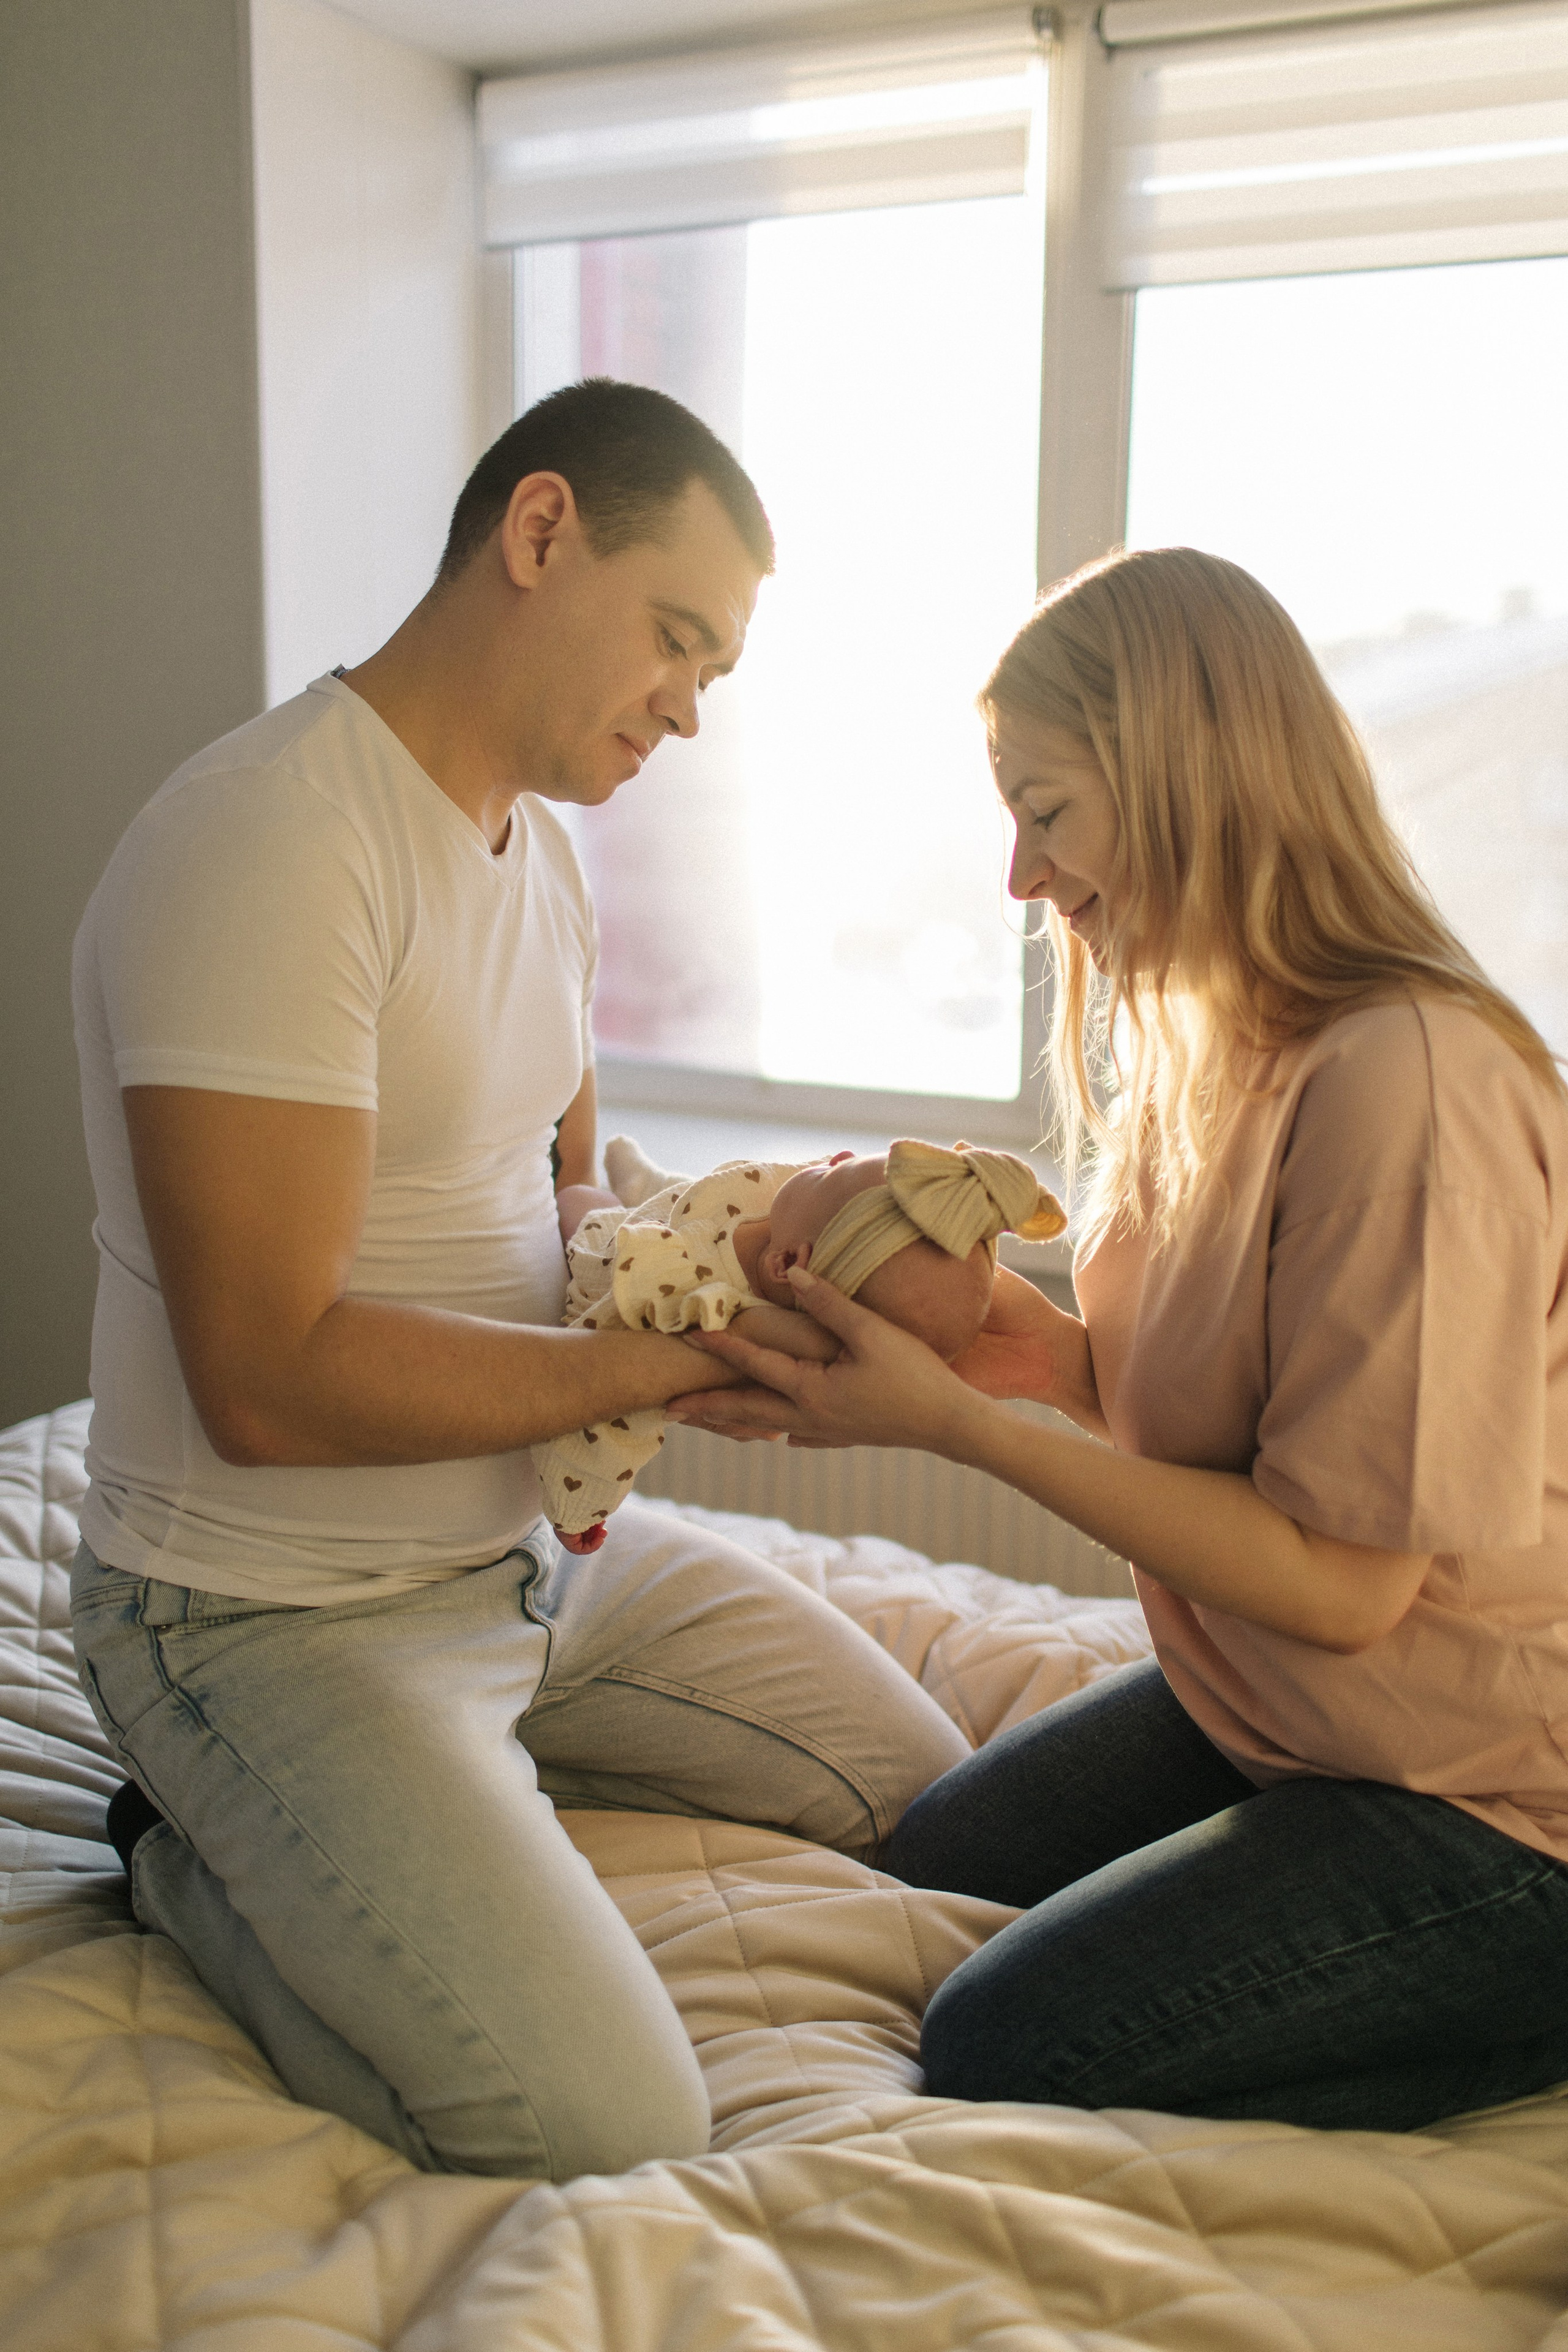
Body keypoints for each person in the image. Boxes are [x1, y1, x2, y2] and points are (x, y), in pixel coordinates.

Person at [67, 379, 972, 2182]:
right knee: (600, 2114)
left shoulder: (541, 859)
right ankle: (183, 1847)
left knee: (935, 1795)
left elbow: (562, 1206)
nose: (691, 711)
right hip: (275, 1615)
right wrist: (677, 1376)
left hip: (527, 1568)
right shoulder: (271, 842)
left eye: (715, 671)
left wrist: (728, 1236)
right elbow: (269, 1370)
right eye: (677, 640)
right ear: (540, 533)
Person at [671, 545, 1568, 2135]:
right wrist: (987, 1331)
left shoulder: (1407, 1087)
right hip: (1282, 1712)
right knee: (923, 1885)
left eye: (1049, 811)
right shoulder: (1213, 1046)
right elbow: (1200, 1407)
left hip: (1494, 1786)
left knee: (1015, 2046)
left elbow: (1344, 1584)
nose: (1020, 876)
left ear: (1188, 781)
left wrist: (958, 1428)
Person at [538, 1136, 1064, 1548]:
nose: (836, 1157)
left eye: (832, 1171)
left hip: (616, 1256)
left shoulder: (701, 1306)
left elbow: (614, 1414)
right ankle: (646, 1186)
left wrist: (581, 1506)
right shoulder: (795, 1220)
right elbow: (720, 1194)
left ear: (788, 1265)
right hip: (690, 1208)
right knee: (688, 1191)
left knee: (580, 1200)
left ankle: (621, 1202)